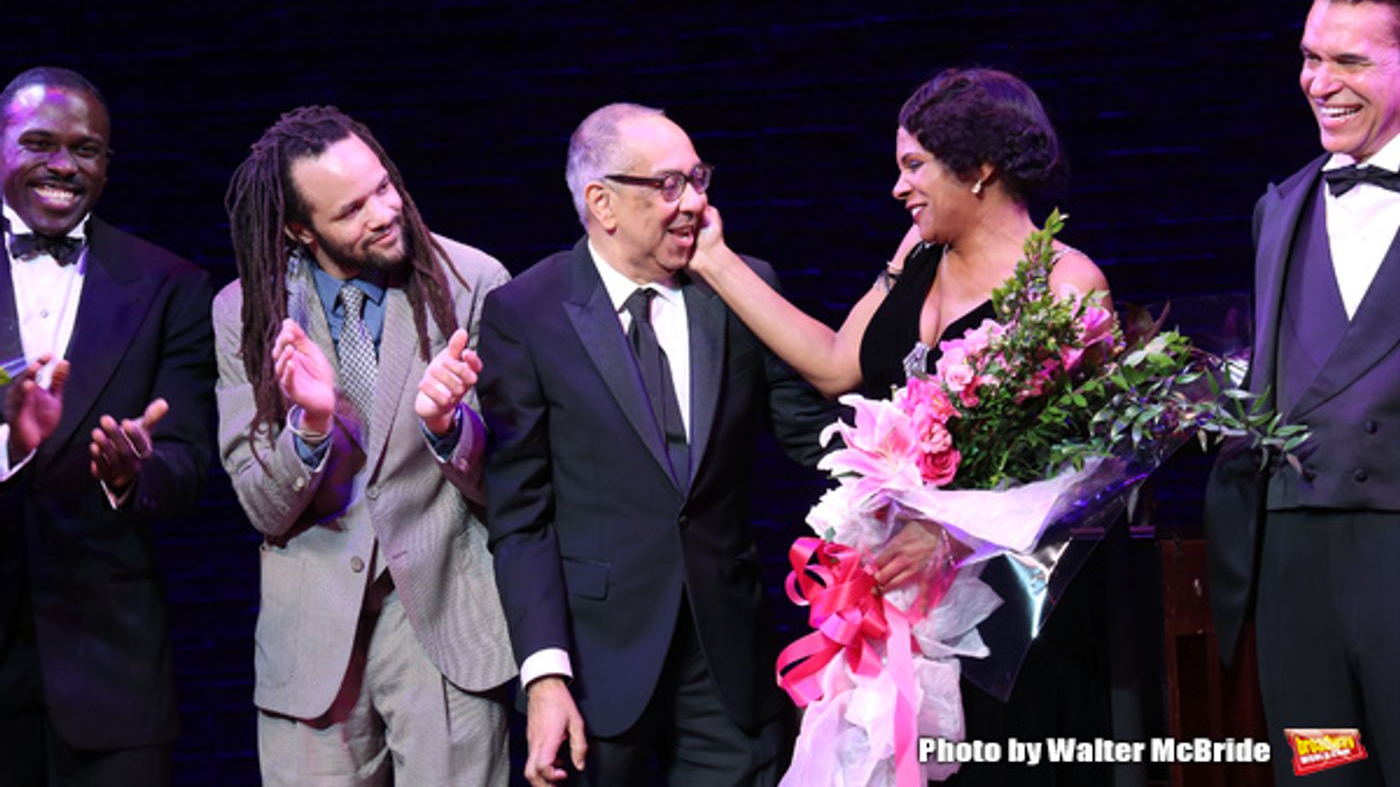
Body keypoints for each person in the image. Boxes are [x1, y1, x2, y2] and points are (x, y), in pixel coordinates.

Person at [688, 67, 1119, 785]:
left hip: (1009, 620)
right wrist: (715, 259)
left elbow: (1082, 473)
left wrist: (951, 533)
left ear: (979, 168)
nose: (899, 187)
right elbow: (833, 363)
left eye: (914, 166)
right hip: (898, 600)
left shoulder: (1065, 285)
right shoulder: (916, 253)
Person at [478, 103, 834, 786]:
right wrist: (545, 676)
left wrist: (919, 446)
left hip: (727, 658)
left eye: (698, 179)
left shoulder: (739, 287)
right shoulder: (527, 312)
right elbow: (519, 516)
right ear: (602, 203)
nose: (696, 203)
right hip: (596, 663)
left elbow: (810, 437)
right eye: (669, 185)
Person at [216, 106, 516, 785]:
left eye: (384, 187)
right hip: (313, 644)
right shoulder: (248, 311)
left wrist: (449, 427)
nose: (383, 212)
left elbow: (518, 483)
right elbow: (263, 506)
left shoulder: (473, 282)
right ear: (299, 229)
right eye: (351, 209)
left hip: (444, 628)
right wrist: (312, 428)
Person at [1206, 0, 1400, 784]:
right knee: (1323, 770)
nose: (1320, 82)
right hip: (1293, 570)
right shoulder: (1280, 205)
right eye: (1311, 57)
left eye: (1350, 60)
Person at [0, 66, 216, 785]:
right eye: (38, 142)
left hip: (110, 670)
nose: (63, 164)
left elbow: (187, 462)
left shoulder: (169, 284)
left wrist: (132, 472)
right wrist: (11, 443)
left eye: (86, 149)